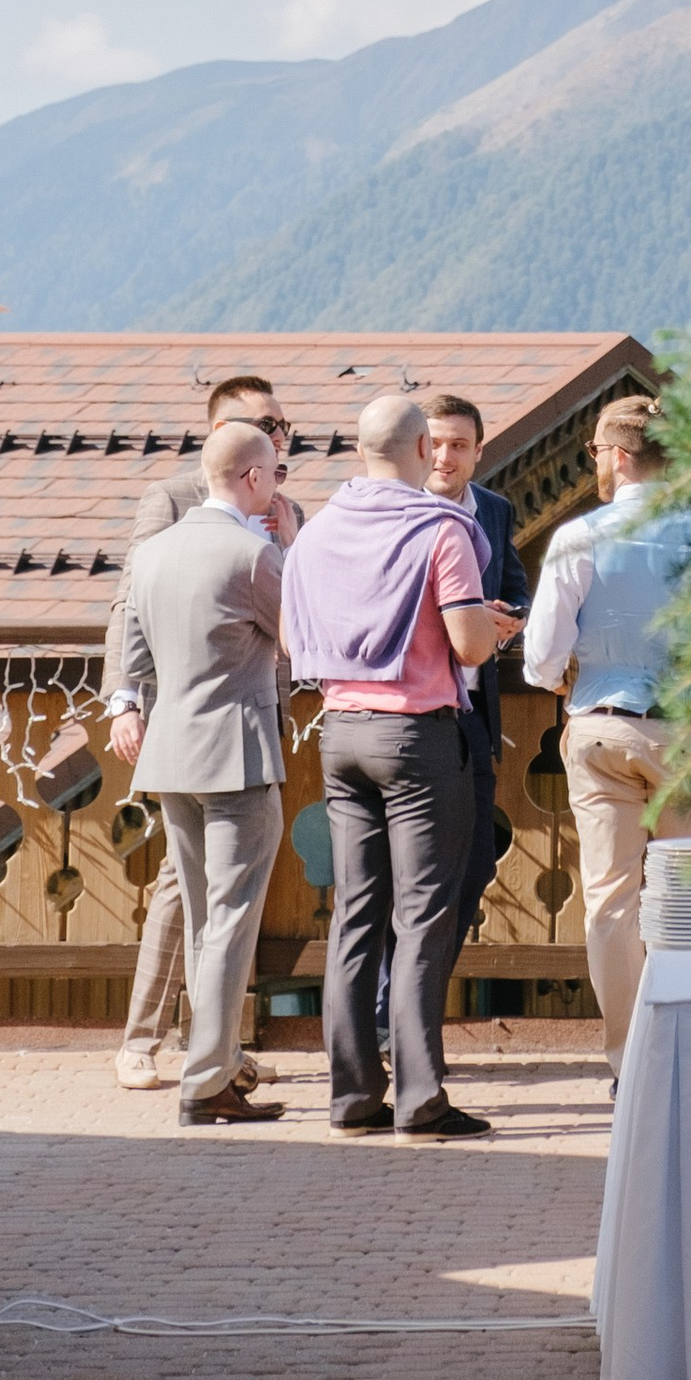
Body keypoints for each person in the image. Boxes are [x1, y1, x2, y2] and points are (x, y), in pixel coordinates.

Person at [280, 391, 519, 1139]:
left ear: (360, 452)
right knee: (423, 916)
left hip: (340, 730)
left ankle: (351, 1096)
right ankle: (421, 1097)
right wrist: (488, 625)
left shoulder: (314, 534)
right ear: (422, 452)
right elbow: (471, 646)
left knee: (355, 914)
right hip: (417, 737)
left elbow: (291, 643)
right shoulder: (441, 529)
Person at [104, 372, 298, 1093]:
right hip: (237, 746)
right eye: (271, 448)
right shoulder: (246, 548)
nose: (282, 461)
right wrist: (121, 701)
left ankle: (211, 1056)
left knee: (201, 909)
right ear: (247, 469)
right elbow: (301, 636)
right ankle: (208, 1073)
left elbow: (138, 629)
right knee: (227, 916)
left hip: (172, 752)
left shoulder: (163, 553)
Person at [521, 395, 691, 1076]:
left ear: (617, 456)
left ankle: (627, 1061)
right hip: (690, 728)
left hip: (604, 726)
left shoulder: (580, 536)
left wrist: (559, 677)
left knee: (610, 901)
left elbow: (542, 652)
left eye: (597, 455)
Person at [421, 392, 531, 967]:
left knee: (476, 863)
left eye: (459, 445)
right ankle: (390, 1020)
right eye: (435, 443)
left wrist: (508, 619)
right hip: (411, 716)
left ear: (478, 450)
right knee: (410, 878)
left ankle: (413, 1008)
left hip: (474, 715)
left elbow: (517, 587)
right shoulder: (392, 511)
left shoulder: (493, 508)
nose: (446, 456)